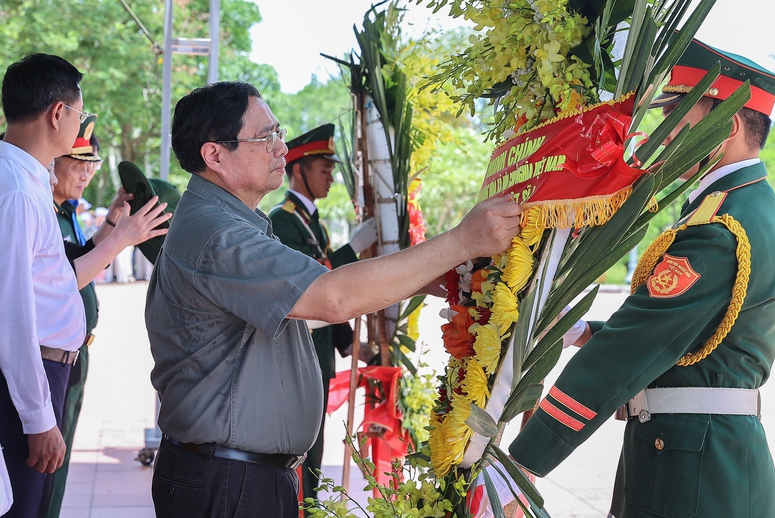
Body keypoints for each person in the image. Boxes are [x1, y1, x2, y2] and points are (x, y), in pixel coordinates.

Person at [146, 81, 522, 517]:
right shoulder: (217, 233)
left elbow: (304, 303)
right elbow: (333, 297)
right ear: (214, 155)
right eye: (265, 137)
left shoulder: (232, 222)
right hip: (227, 479)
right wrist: (461, 241)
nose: (281, 148)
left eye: (278, 132)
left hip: (241, 474)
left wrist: (422, 279)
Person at [507, 39, 775, 517]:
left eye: (680, 119)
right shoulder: (753, 208)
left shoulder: (720, 228)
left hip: (694, 472)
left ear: (729, 125)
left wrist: (524, 459)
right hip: (705, 457)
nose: (667, 135)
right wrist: (584, 330)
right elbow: (680, 328)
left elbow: (631, 350)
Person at [41, 119, 172, 518]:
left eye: (90, 163)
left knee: (53, 472)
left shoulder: (61, 209)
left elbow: (78, 255)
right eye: (77, 162)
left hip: (70, 354)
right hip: (47, 356)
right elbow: (63, 276)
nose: (86, 172)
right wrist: (120, 237)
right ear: (51, 160)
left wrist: (114, 221)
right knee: (41, 471)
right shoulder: (38, 208)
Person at [268, 123, 378, 504]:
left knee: (314, 453)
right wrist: (352, 250)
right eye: (324, 169)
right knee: (300, 455)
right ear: (298, 170)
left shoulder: (310, 219)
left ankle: (310, 509)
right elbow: (312, 284)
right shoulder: (282, 220)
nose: (331, 177)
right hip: (299, 357)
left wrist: (352, 347)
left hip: (319, 356)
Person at [0, 53, 88, 518]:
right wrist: (38, 417)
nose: (79, 124)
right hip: (27, 379)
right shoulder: (14, 188)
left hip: (40, 372)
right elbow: (12, 314)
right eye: (80, 113)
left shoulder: (26, 178)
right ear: (58, 113)